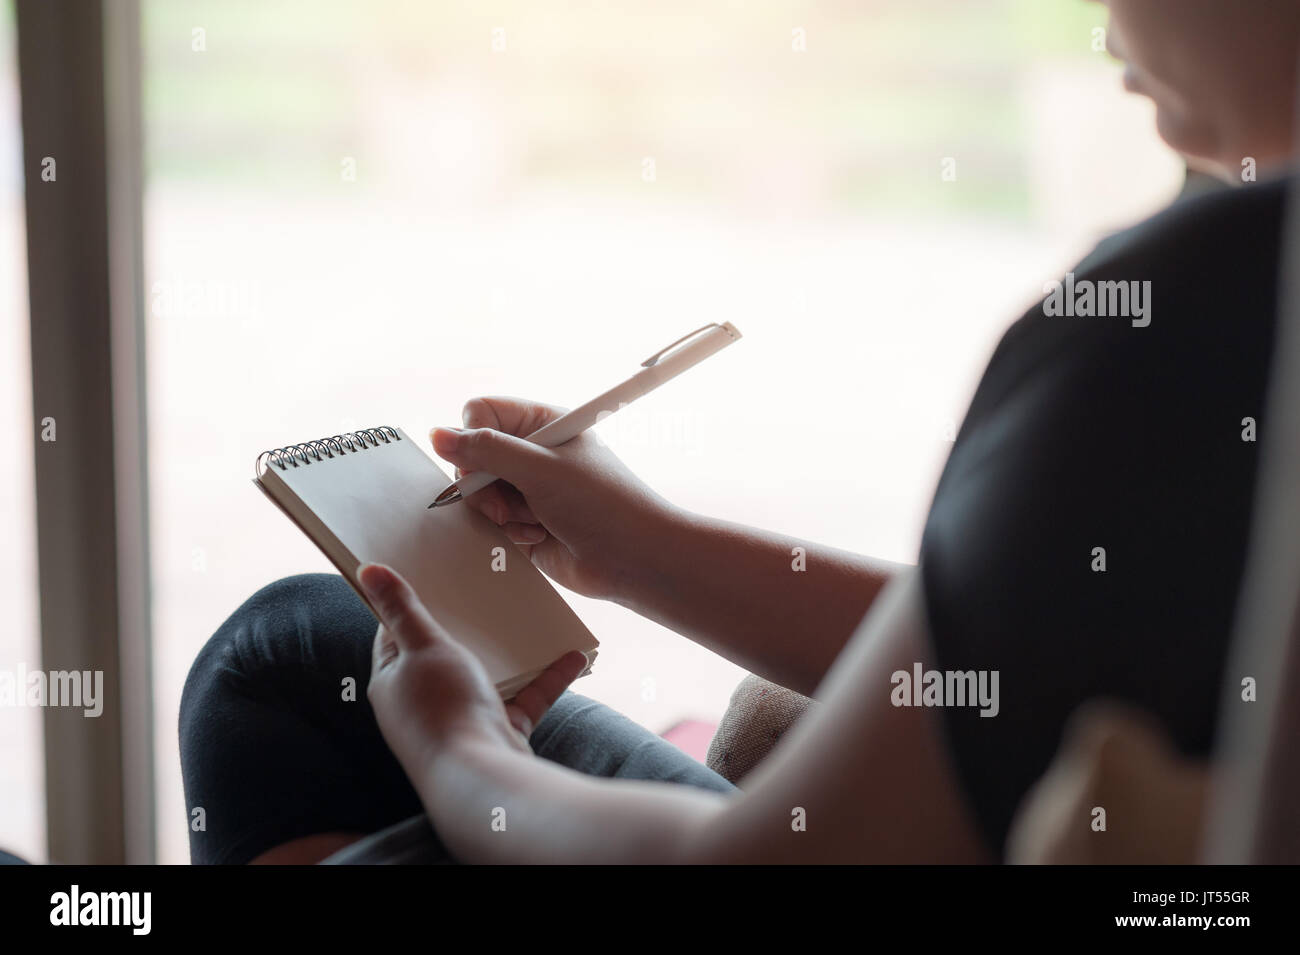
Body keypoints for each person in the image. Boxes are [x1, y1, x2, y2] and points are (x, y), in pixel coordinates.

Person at [180, 0, 1300, 863]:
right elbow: (1027, 660)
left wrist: (462, 751)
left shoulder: (1201, 311)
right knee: (306, 639)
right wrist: (644, 550)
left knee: (278, 675)